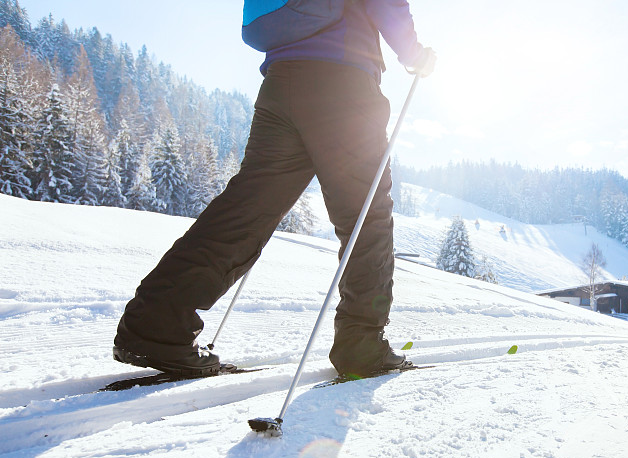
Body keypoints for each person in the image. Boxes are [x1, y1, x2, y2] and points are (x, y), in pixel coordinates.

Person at [113, 0, 436, 378]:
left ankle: (154, 328)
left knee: (246, 209)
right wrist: (413, 52)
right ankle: (361, 347)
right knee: (366, 218)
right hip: (344, 85)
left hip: (282, 83)